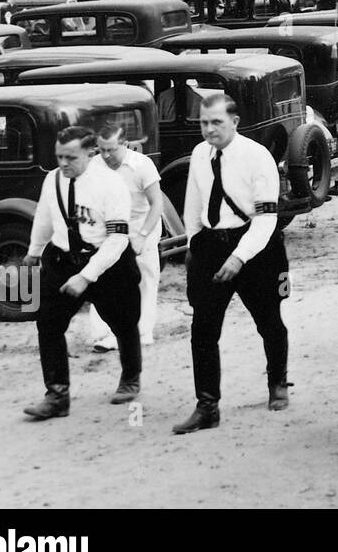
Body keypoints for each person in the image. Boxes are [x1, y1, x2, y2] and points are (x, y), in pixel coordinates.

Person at [173, 93, 290, 434]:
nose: (209, 130)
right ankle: (207, 405)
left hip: (255, 247)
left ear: (235, 122)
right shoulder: (199, 154)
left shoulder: (257, 157)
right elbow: (193, 205)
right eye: (203, 123)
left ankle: (278, 382)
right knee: (203, 330)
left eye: (216, 123)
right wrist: (194, 243)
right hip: (211, 245)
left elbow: (268, 219)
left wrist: (240, 257)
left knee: (269, 320)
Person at [23, 126, 140, 420]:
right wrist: (34, 251)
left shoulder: (111, 184)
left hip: (107, 264)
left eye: (70, 157)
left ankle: (130, 377)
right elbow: (45, 216)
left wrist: (87, 276)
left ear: (90, 153)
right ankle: (57, 395)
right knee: (48, 324)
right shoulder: (53, 179)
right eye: (59, 156)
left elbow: (118, 239)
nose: (63, 163)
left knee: (123, 323)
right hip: (63, 261)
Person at [89, 125, 163, 351]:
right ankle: (107, 332)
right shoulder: (95, 166)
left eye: (111, 149)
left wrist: (142, 237)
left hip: (142, 226)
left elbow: (157, 204)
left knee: (145, 278)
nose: (106, 155)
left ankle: (143, 332)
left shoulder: (142, 165)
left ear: (124, 144)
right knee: (106, 279)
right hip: (111, 230)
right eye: (101, 150)